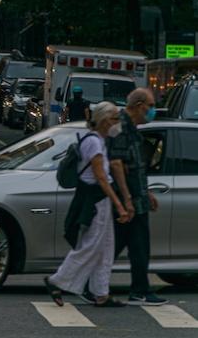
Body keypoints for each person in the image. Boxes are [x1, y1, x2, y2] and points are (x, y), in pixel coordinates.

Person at [44, 101, 129, 307]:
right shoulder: (94, 142)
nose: (118, 123)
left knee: (106, 247)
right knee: (91, 246)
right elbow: (101, 177)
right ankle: (56, 280)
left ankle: (101, 293)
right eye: (116, 118)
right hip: (95, 200)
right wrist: (119, 205)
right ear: (105, 120)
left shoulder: (100, 140)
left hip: (100, 199)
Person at [108, 87, 167, 306]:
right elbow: (117, 164)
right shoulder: (121, 128)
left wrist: (146, 192)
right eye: (150, 106)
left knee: (126, 246)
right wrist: (128, 199)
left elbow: (133, 167)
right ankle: (140, 290)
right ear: (139, 105)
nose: (152, 111)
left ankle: (90, 283)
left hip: (136, 197)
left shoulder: (131, 128)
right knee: (138, 246)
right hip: (130, 200)